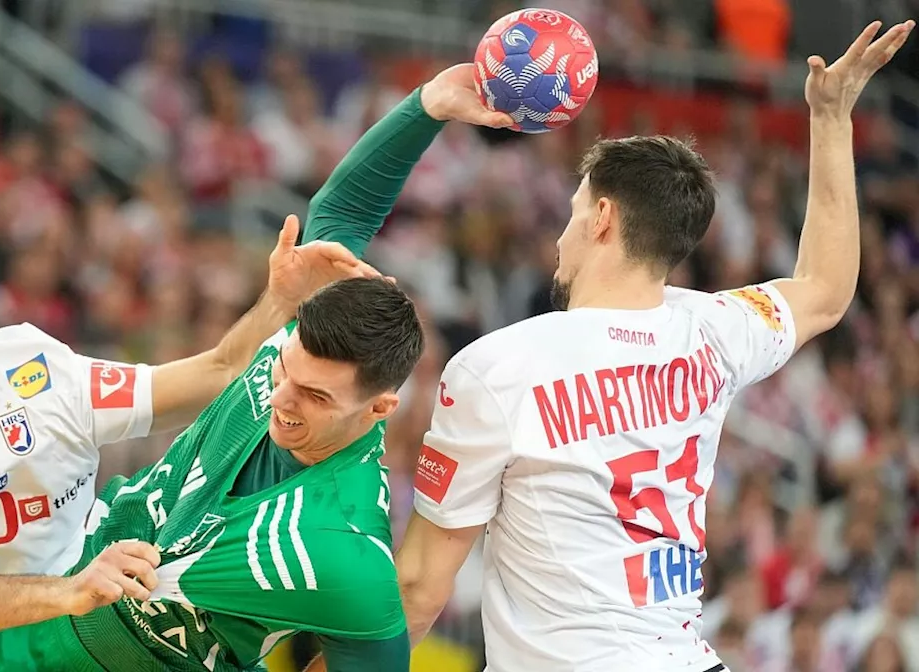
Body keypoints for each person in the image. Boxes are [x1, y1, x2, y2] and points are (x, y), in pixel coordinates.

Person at [384, 19, 915, 672]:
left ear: (603, 217)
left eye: (575, 212)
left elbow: (417, 589)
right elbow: (827, 290)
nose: (561, 236)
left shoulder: (496, 368)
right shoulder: (718, 329)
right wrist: (831, 118)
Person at [0, 66, 514, 672]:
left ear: (381, 409)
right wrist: (427, 107)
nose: (282, 399)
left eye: (315, 397)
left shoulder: (343, 545)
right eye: (284, 371)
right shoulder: (298, 340)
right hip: (46, 594)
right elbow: (342, 211)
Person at [0, 215, 383, 672]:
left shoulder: (35, 369)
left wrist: (280, 300)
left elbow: (214, 373)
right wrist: (69, 591)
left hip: (70, 648)